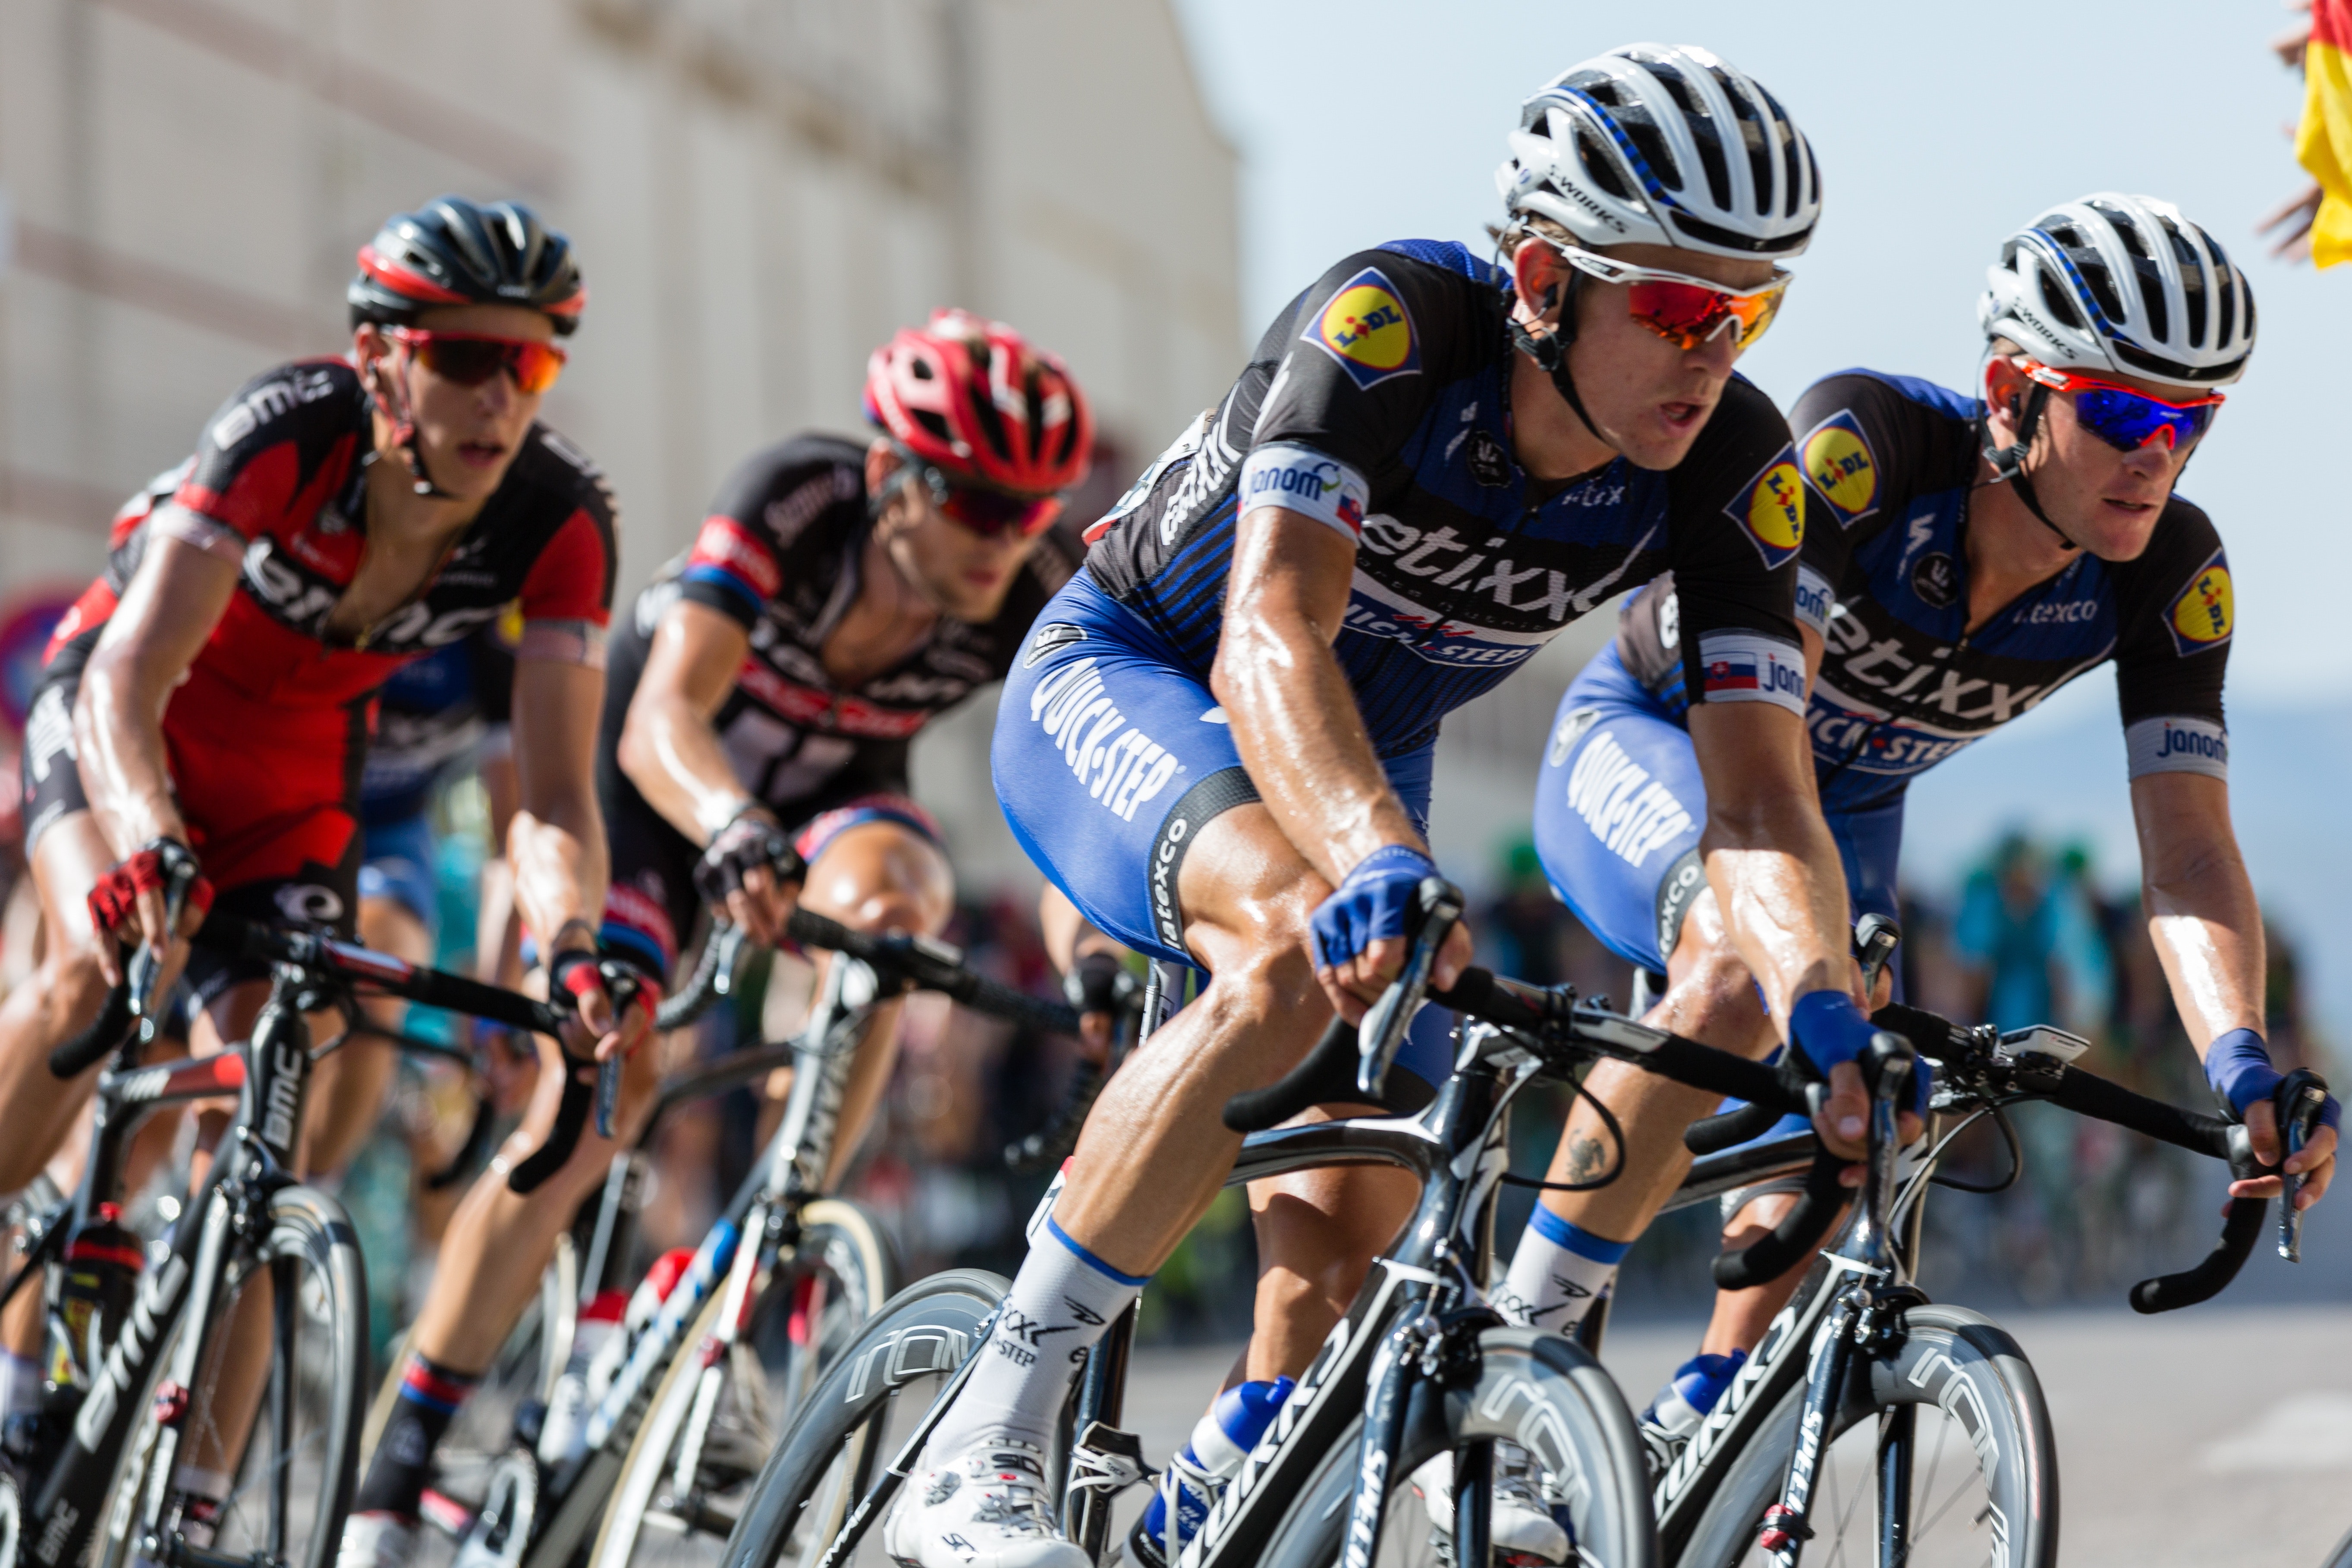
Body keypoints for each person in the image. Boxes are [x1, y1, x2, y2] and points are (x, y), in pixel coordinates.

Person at [893, 45, 1899, 1568]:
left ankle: (1192, 1517)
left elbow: (1760, 800)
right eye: (1684, 309)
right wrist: (1371, 853)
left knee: (1357, 1226)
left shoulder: (1736, 460)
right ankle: (987, 1427)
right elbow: (1268, 634)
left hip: (1360, 754)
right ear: (1548, 277)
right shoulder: (1391, 327)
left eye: (1752, 309)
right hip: (1144, 677)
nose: (1719, 352)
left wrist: (1819, 1006)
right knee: (1293, 949)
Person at [1524, 192, 2340, 1466]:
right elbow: (1755, 764)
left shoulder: (2171, 569)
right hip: (1669, 744)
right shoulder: (1869, 449)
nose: (2156, 454)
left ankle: (1700, 1414)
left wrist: (2240, 1059)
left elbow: (2185, 856)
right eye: (2121, 411)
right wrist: (1819, 953)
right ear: (2011, 392)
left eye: (2191, 421)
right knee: (1748, 974)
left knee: (1863, 1120)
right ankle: (1530, 1349)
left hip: (1843, 811)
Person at [338, 308, 1097, 1568]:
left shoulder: (1025, 583)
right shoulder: (795, 501)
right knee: (599, 1091)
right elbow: (656, 722)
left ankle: (774, 1228)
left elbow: (1071, 799)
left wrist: (1097, 953)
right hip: (654, 796)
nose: (998, 537)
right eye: (968, 498)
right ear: (888, 478)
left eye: (1026, 510)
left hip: (828, 808)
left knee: (901, 897)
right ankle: (403, 1460)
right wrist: (731, 826)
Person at [0, 195, 648, 1554]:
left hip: (293, 782)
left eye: (527, 365)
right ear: (381, 359)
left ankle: (189, 1515)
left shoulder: (557, 521)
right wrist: (143, 838)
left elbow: (551, 799)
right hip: (134, 730)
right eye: (464, 358)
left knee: (269, 1112)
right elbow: (126, 677)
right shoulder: (285, 433)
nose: (496, 397)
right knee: (85, 969)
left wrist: (572, 943)